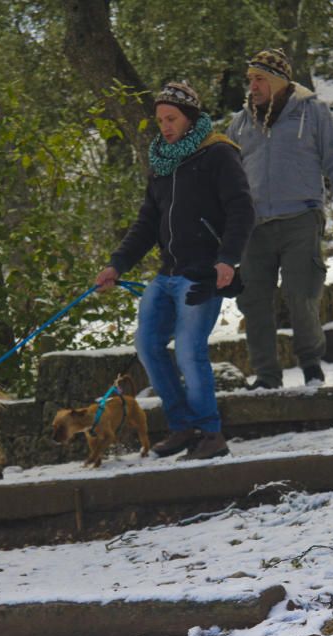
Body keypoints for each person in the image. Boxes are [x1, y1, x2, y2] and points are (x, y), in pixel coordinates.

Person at [95, 82, 255, 460]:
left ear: (190, 118)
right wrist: (115, 265)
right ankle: (183, 426)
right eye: (160, 120)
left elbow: (242, 210)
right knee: (148, 344)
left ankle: (211, 434)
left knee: (188, 350)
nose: (165, 126)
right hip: (167, 274)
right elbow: (146, 223)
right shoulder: (162, 162)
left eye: (172, 118)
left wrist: (227, 260)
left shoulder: (218, 154)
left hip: (203, 275)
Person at [226, 48, 333, 389]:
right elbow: (227, 177)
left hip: (301, 217)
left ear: (279, 81)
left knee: (302, 295)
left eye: (260, 79)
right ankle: (267, 376)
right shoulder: (239, 123)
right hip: (254, 228)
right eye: (250, 79)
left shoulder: (312, 113)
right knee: (253, 303)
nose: (252, 86)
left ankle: (311, 365)